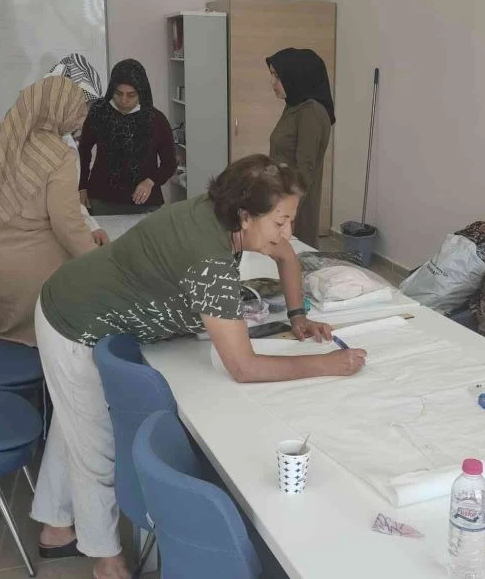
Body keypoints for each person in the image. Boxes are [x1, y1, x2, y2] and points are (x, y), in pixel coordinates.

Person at [30, 154, 367, 578]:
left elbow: (287, 256)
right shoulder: (208, 259)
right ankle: (104, 556)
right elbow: (243, 367)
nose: (287, 232)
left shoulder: (221, 211)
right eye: (280, 222)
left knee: (74, 424)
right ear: (245, 216)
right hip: (76, 320)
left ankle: (55, 526)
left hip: (84, 302)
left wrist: (297, 314)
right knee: (93, 440)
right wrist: (326, 364)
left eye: (290, 220)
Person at [0, 77, 96, 345]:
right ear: (58, 111)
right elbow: (66, 222)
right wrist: (99, 259)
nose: (78, 122)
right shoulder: (59, 154)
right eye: (76, 113)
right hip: (36, 275)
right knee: (38, 349)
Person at [78, 59, 176, 215]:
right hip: (101, 200)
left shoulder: (156, 120)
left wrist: (151, 181)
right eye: (118, 93)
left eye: (131, 95)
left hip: (145, 202)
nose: (124, 100)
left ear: (141, 92)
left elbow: (170, 163)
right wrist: (82, 186)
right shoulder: (99, 112)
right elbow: (83, 150)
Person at [267, 48, 334, 247]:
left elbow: (305, 168)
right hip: (280, 198)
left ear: (295, 76)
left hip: (294, 206)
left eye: (277, 76)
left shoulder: (310, 111)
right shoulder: (293, 107)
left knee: (295, 256)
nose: (272, 82)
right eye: (272, 75)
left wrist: (289, 214)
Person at [45, 53, 110, 245]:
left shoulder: (63, 136)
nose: (84, 116)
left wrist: (92, 226)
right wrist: (88, 248)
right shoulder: (59, 145)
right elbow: (62, 210)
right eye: (81, 107)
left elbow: (68, 196)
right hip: (38, 242)